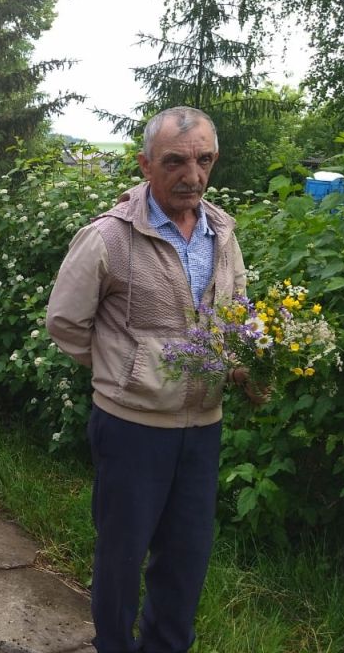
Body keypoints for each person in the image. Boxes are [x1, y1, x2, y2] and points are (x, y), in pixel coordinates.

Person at [46, 106, 248, 653]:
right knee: (122, 555)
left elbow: (235, 314)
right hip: (131, 427)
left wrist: (237, 364)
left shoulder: (223, 232)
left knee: (186, 559)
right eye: (175, 161)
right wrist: (124, 371)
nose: (192, 175)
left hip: (202, 427)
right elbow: (65, 322)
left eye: (204, 160)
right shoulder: (108, 237)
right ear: (145, 164)